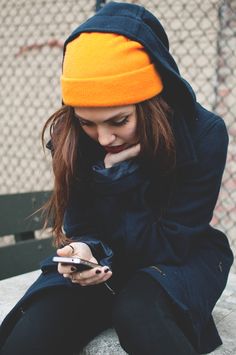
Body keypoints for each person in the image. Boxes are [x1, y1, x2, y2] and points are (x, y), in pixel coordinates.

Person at [0, 2, 234, 355]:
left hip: (174, 258)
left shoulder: (204, 134)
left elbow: (170, 246)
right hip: (104, 262)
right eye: (87, 122)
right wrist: (84, 250)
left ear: (151, 101)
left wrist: (122, 178)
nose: (104, 138)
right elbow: (82, 225)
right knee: (34, 329)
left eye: (119, 121)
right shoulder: (72, 135)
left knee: (138, 311)